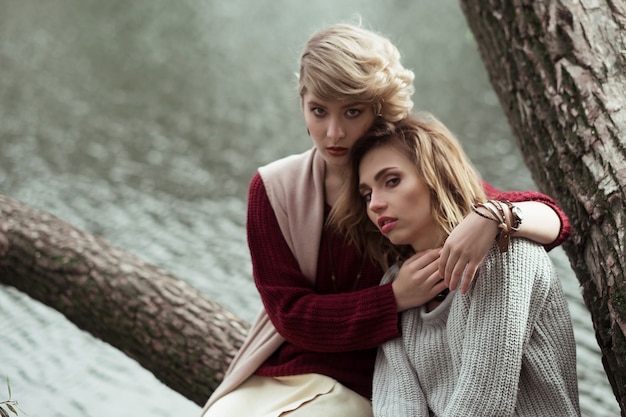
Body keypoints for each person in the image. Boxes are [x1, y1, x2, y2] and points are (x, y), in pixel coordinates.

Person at [199, 22, 571, 417]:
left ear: (378, 109)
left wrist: (496, 217)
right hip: (290, 367)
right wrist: (393, 299)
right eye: (318, 111)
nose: (333, 132)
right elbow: (288, 314)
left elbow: (552, 219)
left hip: (367, 383)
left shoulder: (409, 170)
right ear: (302, 103)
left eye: (353, 112)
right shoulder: (273, 189)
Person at [332, 115, 580, 416]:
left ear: (437, 174)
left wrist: (493, 216)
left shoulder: (505, 255)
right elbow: (397, 402)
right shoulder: (397, 285)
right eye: (368, 194)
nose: (375, 204)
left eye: (392, 181)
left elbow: (486, 402)